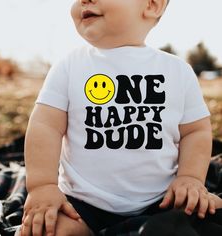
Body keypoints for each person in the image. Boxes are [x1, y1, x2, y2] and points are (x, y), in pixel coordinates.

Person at [19, 0, 218, 235]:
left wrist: (190, 177)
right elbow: (45, 126)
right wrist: (43, 186)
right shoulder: (69, 66)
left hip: (161, 201)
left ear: (152, 5)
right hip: (82, 203)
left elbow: (196, 131)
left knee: (201, 218)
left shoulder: (178, 71)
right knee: (45, 230)